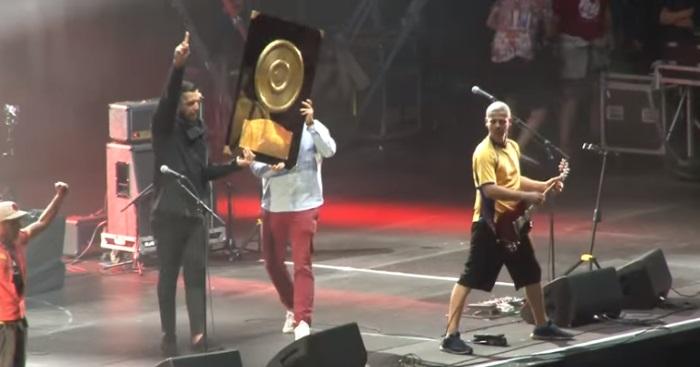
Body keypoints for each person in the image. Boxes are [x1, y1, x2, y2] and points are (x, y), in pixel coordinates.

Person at [439, 101, 573, 355]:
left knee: (531, 272)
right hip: (489, 225)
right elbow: (489, 189)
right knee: (470, 277)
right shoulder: (483, 152)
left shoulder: (512, 147)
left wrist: (542, 184)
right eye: (494, 121)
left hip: (512, 223)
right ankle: (450, 335)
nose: (499, 125)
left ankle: (542, 325)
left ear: (510, 123)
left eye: (503, 120)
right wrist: (526, 197)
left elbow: (514, 179)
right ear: (486, 122)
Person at [150, 32, 254, 356]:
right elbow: (167, 98)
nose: (197, 107)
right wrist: (177, 66)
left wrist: (235, 165)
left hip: (194, 215)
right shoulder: (163, 127)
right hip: (167, 216)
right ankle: (168, 333)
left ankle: (198, 335)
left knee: (196, 274)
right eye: (191, 104)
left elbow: (203, 173)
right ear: (179, 106)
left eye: (198, 102)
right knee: (168, 277)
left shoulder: (198, 134)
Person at [250, 98, 336, 341]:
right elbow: (254, 167)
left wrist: (311, 124)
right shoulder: (264, 129)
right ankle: (291, 307)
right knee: (272, 262)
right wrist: (271, 168)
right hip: (274, 206)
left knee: (302, 264)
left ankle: (303, 321)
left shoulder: (313, 127)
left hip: (305, 205)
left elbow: (330, 150)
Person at [0, 181, 69, 367]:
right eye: (12, 222)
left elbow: (43, 222)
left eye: (18, 221)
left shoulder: (18, 240)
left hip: (17, 321)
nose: (18, 225)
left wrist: (59, 197)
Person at [486, 0, 556, 151]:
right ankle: (517, 149)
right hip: (522, 55)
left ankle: (503, 148)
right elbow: (550, 30)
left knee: (509, 102)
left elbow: (491, 22)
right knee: (540, 108)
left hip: (500, 53)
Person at [553, 0, 612, 155]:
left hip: (596, 50)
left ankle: (596, 142)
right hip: (572, 47)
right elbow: (556, 19)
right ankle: (563, 144)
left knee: (597, 95)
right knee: (571, 97)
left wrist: (605, 36)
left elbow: (605, 17)